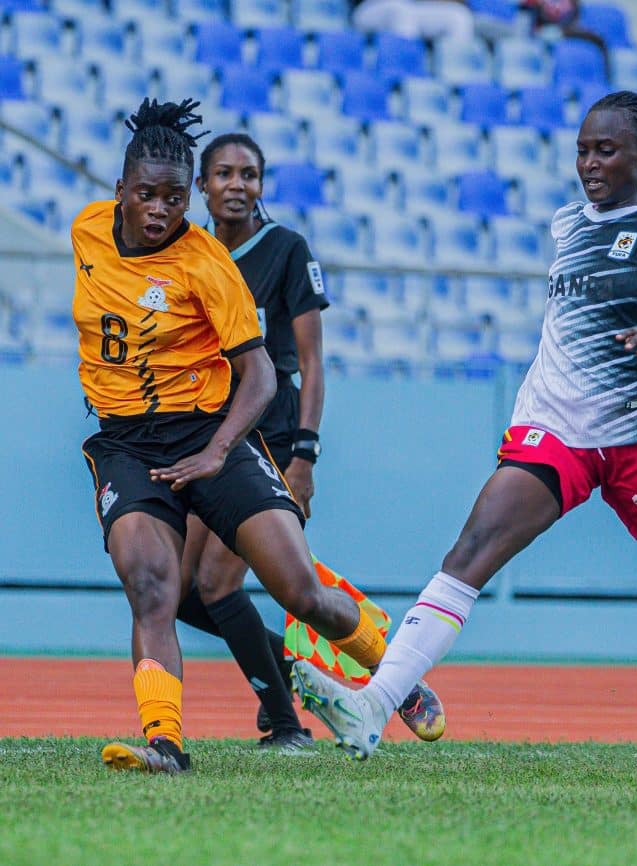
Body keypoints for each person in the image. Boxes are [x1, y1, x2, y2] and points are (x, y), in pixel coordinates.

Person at [290, 90, 637, 789]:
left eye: (605, 150)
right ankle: (373, 706)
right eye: (583, 150)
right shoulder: (568, 224)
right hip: (554, 428)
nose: (589, 163)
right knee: (469, 554)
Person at [72, 97, 425, 775]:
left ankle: (396, 675)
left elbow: (260, 375)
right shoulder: (86, 230)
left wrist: (218, 450)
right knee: (153, 587)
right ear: (120, 190)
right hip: (126, 445)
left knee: (300, 592)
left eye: (175, 199)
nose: (160, 211)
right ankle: (166, 745)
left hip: (213, 433)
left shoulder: (208, 264)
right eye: (146, 195)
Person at [171, 132, 444, 750]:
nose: (236, 185)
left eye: (248, 174)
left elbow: (312, 363)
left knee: (220, 585)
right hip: (210, 434)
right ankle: (299, 680)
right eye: (223, 174)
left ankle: (336, 700)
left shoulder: (286, 249)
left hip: (269, 436)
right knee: (181, 593)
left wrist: (305, 454)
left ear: (261, 185)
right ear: (202, 186)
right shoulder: (191, 254)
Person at [350, 0, 476, 41]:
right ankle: (406, 67)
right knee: (401, 11)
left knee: (459, 16)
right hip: (367, 8)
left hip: (412, 6)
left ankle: (462, 78)